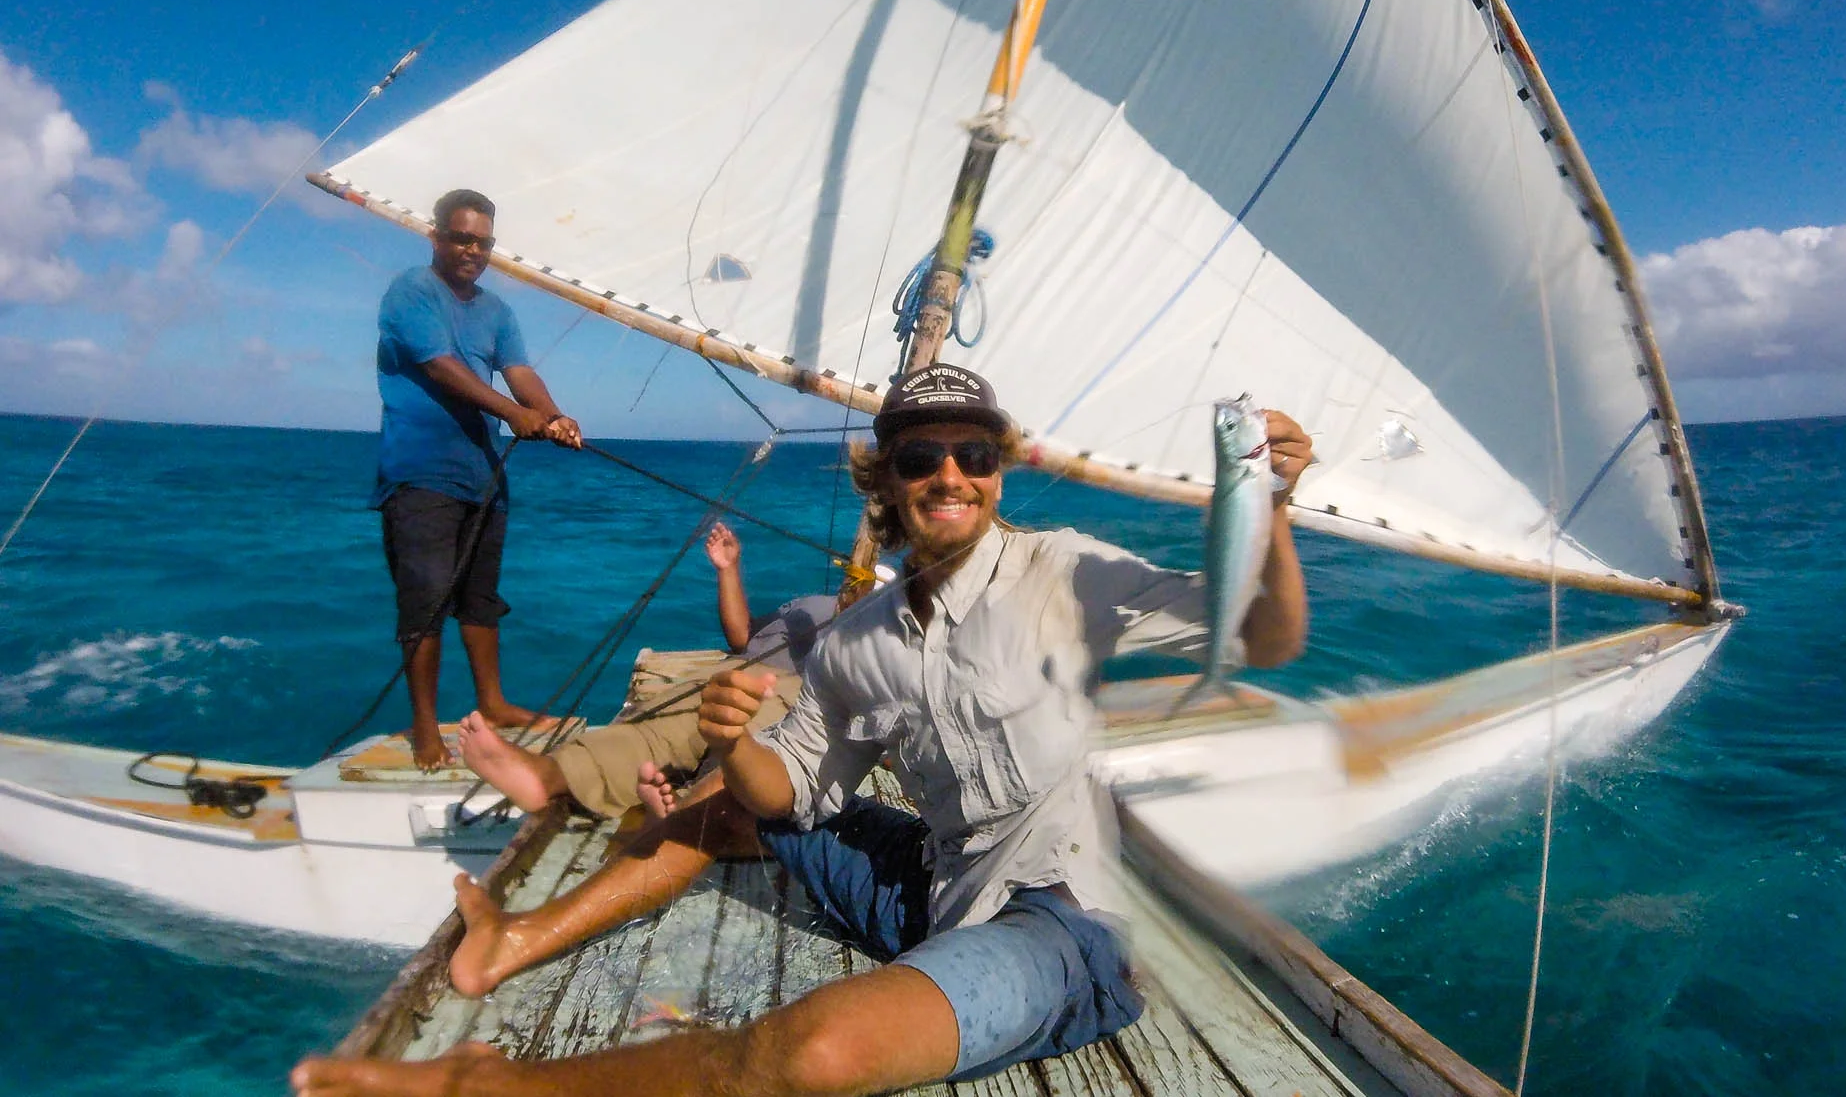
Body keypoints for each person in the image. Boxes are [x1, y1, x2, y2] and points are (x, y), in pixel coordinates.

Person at [295, 363, 1314, 1097]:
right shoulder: (857, 637)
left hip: (1056, 923)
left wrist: (1268, 503)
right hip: (930, 886)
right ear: (889, 479)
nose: (950, 474)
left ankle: (486, 1087)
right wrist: (734, 743)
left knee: (812, 1055)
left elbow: (1262, 635)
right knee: (722, 803)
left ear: (996, 469)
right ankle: (510, 941)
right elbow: (787, 792)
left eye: (973, 453)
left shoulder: (1064, 571)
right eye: (922, 456)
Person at [374, 188, 584, 771]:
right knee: (424, 602)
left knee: (481, 599)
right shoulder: (411, 292)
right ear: (435, 236)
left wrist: (554, 415)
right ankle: (423, 724)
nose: (472, 250)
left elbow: (519, 372)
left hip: (482, 476)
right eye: (461, 237)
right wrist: (515, 416)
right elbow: (444, 369)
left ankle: (491, 703)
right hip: (419, 475)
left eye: (483, 242)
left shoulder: (497, 310)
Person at [457, 520, 842, 819]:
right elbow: (742, 636)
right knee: (654, 728)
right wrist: (728, 569)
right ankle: (546, 776)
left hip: (799, 691)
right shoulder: (808, 604)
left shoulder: (879, 618)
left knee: (748, 751)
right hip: (736, 671)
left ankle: (682, 814)